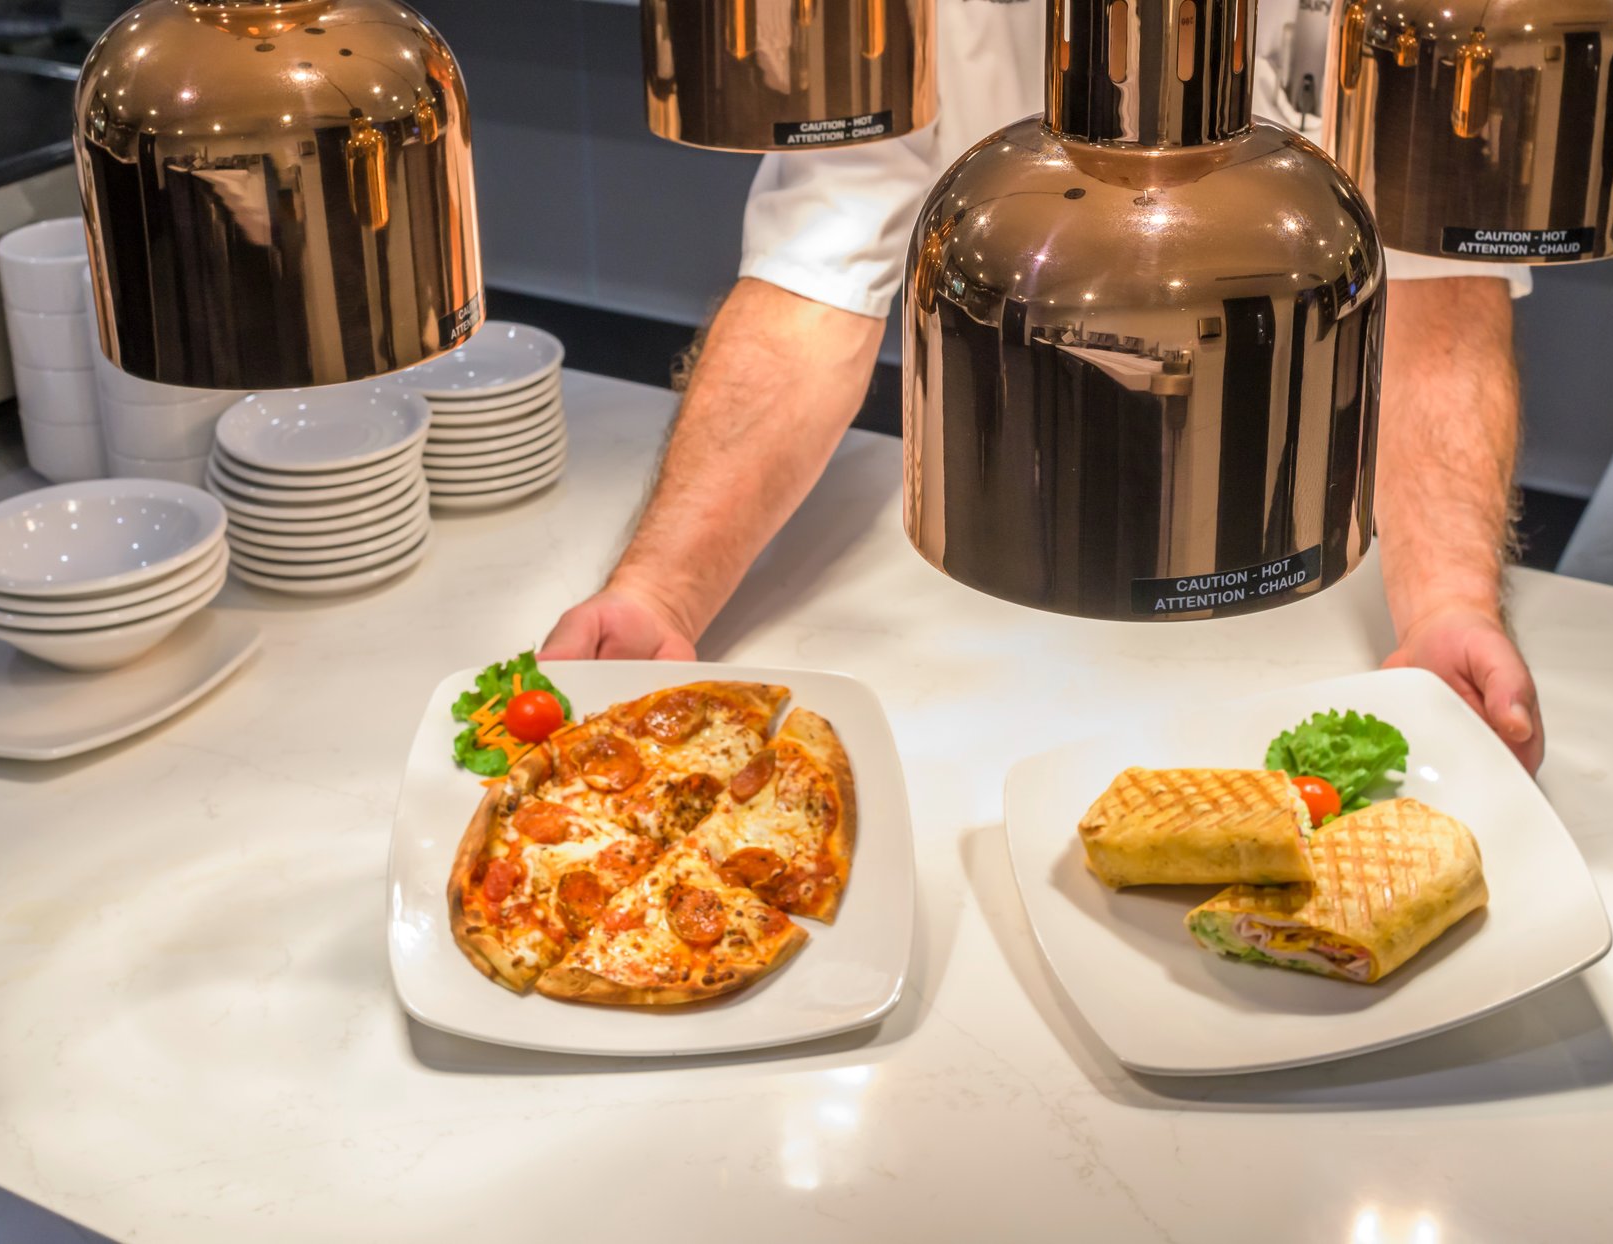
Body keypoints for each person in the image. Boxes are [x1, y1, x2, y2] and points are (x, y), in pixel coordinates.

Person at [544, 0, 1546, 774]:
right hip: (1007, 546)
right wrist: (660, 585)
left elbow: (1436, 297)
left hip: (1286, 566)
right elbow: (817, 272)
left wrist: (1449, 606)